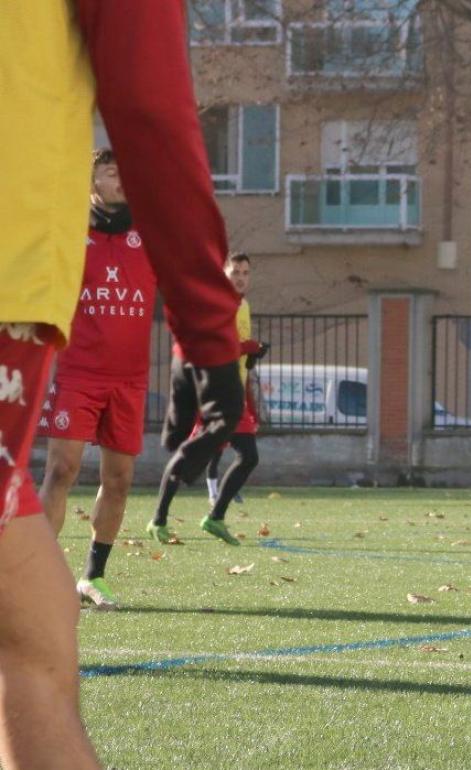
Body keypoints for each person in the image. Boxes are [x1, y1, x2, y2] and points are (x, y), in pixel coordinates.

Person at [1, 2, 243, 766]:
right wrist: (210, 334)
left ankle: (93, 570)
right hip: (10, 279)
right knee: (32, 644)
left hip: (101, 358)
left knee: (36, 631)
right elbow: (150, 109)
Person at [37, 148, 158, 610]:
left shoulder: (150, 237)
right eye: (111, 172)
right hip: (78, 374)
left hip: (129, 380)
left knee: (120, 479)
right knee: (61, 470)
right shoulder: (71, 235)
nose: (121, 179)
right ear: (92, 182)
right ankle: (39, 576)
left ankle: (93, 576)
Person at [198, 254, 269, 543]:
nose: (240, 277)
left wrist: (252, 355)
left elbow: (240, 355)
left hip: (234, 391)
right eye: (235, 272)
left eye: (245, 272)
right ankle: (162, 517)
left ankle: (214, 516)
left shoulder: (244, 306)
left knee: (244, 455)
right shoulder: (218, 305)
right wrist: (248, 347)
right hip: (218, 390)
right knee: (196, 454)